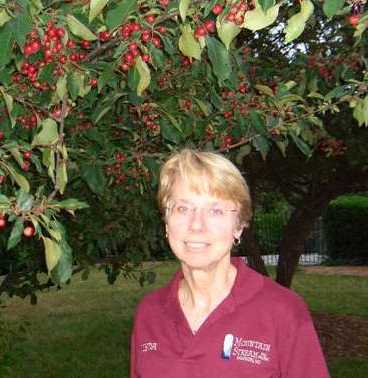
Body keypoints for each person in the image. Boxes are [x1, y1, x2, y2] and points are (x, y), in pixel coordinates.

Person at [130, 149, 329, 378]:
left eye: (215, 211)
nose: (196, 225)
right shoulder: (150, 312)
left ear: (238, 226)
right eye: (183, 208)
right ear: (166, 222)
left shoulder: (283, 310)